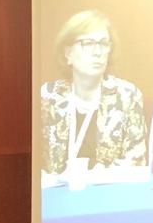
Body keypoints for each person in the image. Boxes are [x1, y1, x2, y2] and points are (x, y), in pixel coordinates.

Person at [40, 9, 147, 174]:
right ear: (68, 53)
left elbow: (137, 163)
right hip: (58, 190)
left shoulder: (127, 96)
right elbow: (35, 164)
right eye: (88, 43)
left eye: (103, 43)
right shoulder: (47, 97)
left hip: (109, 189)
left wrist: (99, 176)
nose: (98, 52)